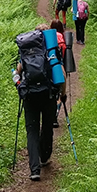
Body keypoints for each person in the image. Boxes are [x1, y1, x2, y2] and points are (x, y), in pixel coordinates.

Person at [16, 25, 66, 182]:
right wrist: (62, 95)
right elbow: (61, 74)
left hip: (30, 96)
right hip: (48, 95)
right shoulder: (51, 51)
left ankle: (34, 169)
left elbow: (18, 72)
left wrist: (18, 83)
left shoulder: (27, 50)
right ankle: (44, 157)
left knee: (32, 131)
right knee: (46, 127)